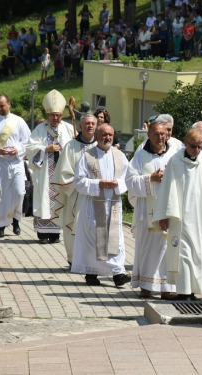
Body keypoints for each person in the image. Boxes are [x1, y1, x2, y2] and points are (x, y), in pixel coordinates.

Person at [153, 129, 202, 300]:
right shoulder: (175, 161)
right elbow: (167, 189)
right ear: (185, 143)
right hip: (180, 217)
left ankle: (192, 291)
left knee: (198, 254)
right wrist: (165, 215)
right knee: (183, 254)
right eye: (193, 146)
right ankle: (183, 291)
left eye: (200, 146)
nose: (196, 150)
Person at [70, 124, 131, 287]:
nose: (108, 138)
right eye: (104, 134)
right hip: (93, 204)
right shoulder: (87, 156)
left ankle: (118, 273)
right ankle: (91, 273)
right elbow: (78, 181)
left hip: (114, 205)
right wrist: (98, 183)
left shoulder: (120, 156)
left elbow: (128, 178)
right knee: (94, 240)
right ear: (97, 136)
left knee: (115, 240)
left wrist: (117, 183)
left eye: (110, 135)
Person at [125, 120, 178, 299]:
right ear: (149, 135)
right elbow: (130, 182)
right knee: (148, 248)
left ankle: (167, 287)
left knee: (168, 248)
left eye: (163, 134)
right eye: (156, 134)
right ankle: (146, 285)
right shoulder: (140, 156)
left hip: (169, 208)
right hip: (146, 211)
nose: (160, 137)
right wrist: (151, 179)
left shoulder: (175, 154)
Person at [26, 90, 74, 244]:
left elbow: (75, 148)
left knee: (60, 200)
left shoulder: (67, 128)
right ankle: (43, 233)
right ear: (47, 115)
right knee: (44, 199)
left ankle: (56, 234)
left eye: (58, 115)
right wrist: (46, 149)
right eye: (52, 115)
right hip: (45, 172)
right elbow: (30, 148)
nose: (55, 118)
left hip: (61, 172)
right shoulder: (40, 129)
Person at [51, 114, 97, 267]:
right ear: (81, 126)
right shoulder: (71, 146)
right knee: (75, 225)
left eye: (93, 123)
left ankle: (92, 260)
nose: (90, 126)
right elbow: (63, 173)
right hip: (76, 194)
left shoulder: (100, 146)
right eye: (87, 123)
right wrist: (81, 184)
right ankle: (74, 259)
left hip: (97, 195)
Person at [0, 94, 30, 238]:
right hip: (0, 164)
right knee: (1, 195)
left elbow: (28, 142)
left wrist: (18, 150)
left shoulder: (19, 121)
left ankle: (16, 220)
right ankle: (1, 225)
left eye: (2, 105)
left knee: (19, 191)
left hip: (16, 163)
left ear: (9, 104)